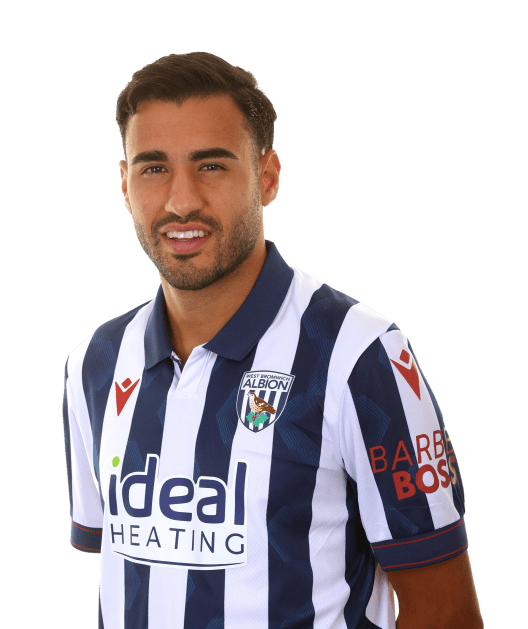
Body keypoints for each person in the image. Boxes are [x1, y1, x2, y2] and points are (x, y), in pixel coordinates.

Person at [61, 52, 483, 629]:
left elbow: (446, 612)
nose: (181, 201)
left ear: (267, 176)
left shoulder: (358, 354)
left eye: (211, 165)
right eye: (153, 168)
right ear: (125, 186)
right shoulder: (94, 364)